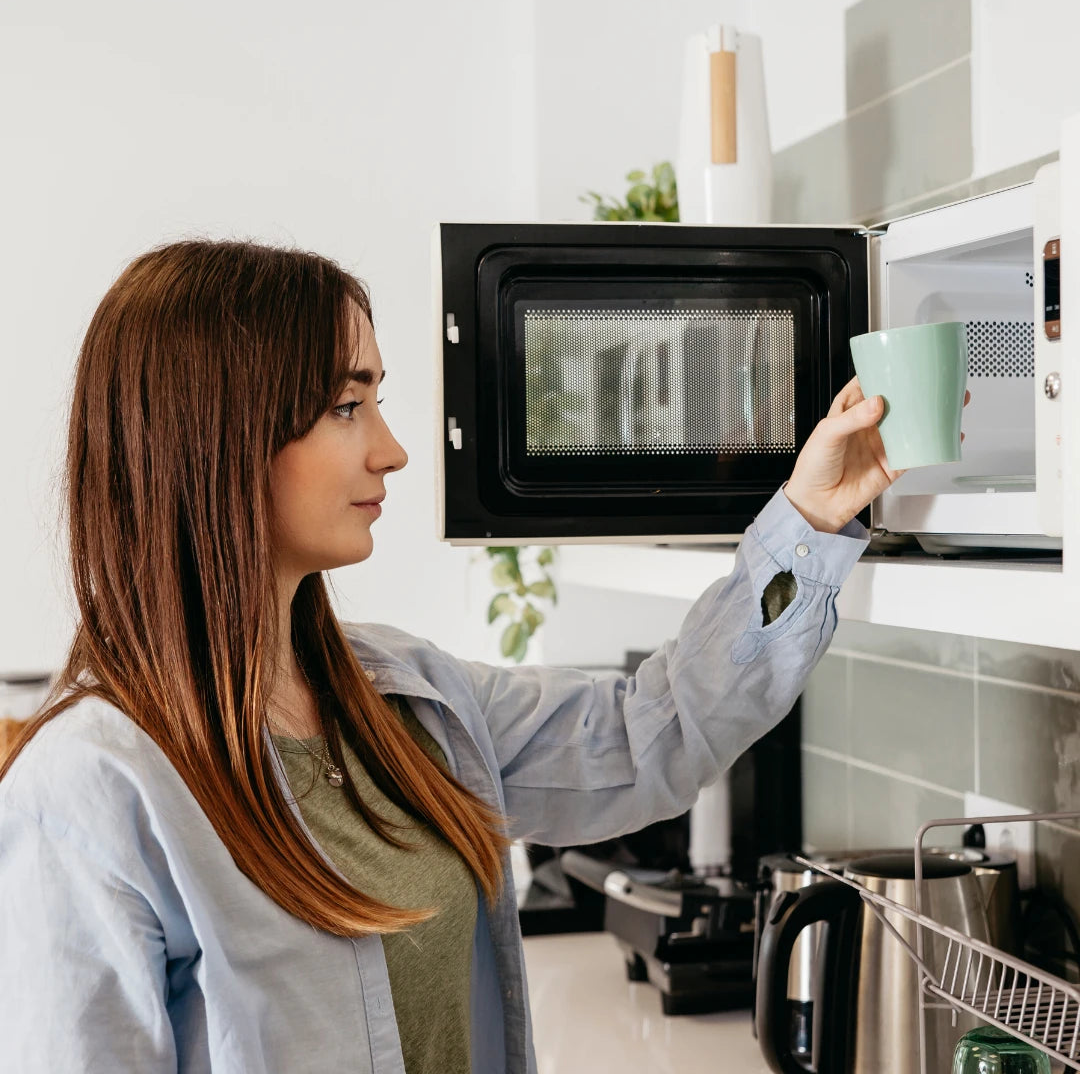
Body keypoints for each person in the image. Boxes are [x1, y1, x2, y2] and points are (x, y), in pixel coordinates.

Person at [0, 239, 911, 1073]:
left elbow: (650, 735)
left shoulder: (405, 699)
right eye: (347, 405)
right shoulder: (91, 792)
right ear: (220, 437)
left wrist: (810, 517)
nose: (392, 450)